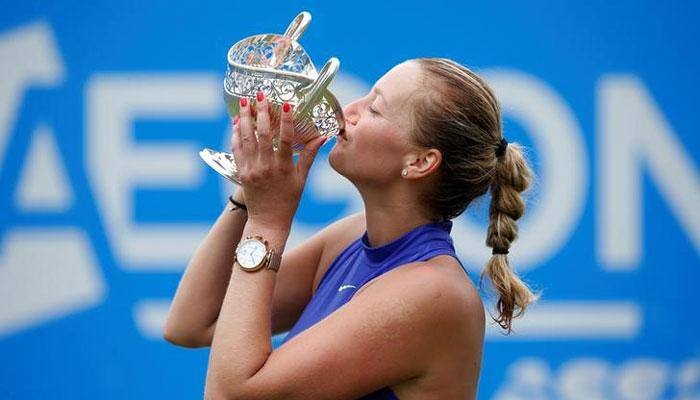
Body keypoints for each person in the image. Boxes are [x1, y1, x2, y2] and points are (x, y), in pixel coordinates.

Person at [163, 58, 537, 399]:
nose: (349, 109)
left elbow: (230, 395)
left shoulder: (433, 294)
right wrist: (250, 190)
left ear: (420, 161)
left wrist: (267, 221)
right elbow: (192, 322)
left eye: (374, 108)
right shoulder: (349, 240)